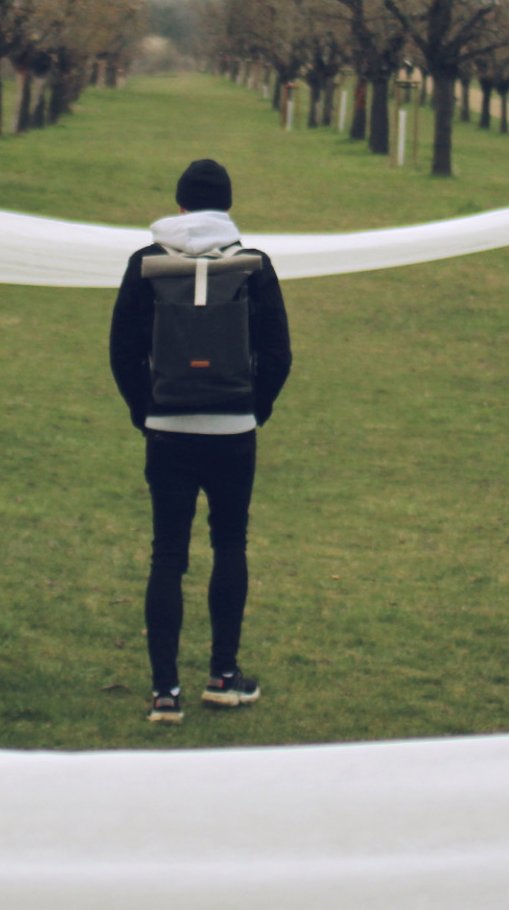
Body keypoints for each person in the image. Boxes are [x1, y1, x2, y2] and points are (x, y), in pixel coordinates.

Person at [109, 159, 292, 724]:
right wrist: (252, 409)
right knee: (229, 545)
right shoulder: (253, 264)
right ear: (227, 208)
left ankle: (165, 691)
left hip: (167, 428)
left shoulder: (146, 264)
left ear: (181, 205)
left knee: (168, 555)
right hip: (233, 428)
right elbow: (279, 354)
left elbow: (121, 351)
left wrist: (147, 412)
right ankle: (223, 674)